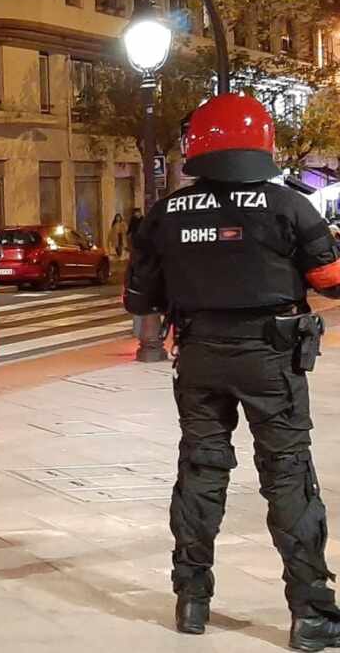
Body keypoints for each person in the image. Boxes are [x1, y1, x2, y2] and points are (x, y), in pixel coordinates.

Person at [126, 93, 340, 648]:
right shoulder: (291, 206)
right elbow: (331, 279)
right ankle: (312, 614)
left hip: (198, 357)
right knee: (288, 475)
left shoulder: (165, 212)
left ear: (195, 143)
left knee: (201, 471)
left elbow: (139, 298)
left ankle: (192, 599)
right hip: (272, 359)